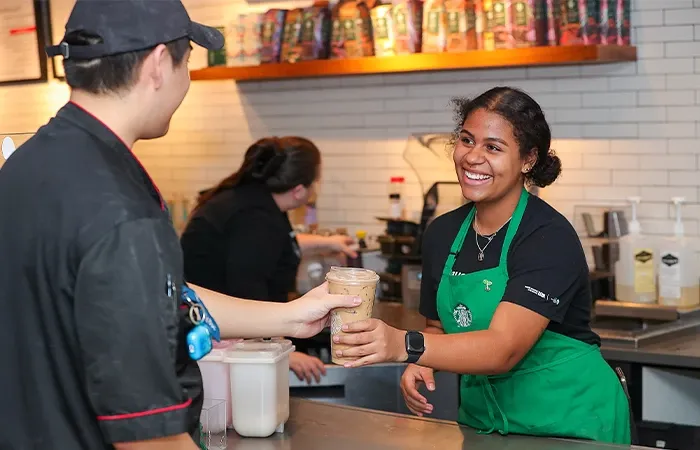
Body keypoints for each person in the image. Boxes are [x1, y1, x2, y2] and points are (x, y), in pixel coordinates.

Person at [0, 1, 360, 449]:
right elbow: (149, 436)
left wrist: (288, 316)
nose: (185, 80)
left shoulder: (29, 164)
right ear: (156, 65)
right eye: (186, 61)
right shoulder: (122, 212)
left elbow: (156, 295)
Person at [333, 87, 632, 445]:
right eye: (466, 140)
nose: (472, 157)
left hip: (570, 422)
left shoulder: (547, 236)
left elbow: (503, 349)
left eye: (493, 147)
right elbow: (439, 328)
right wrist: (424, 359)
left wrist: (405, 345)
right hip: (484, 423)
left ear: (528, 160)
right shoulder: (443, 233)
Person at [181, 136, 357, 383]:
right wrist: (281, 351)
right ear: (298, 191)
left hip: (214, 335)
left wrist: (329, 242)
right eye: (316, 181)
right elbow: (247, 291)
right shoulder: (257, 218)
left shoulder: (250, 198)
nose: (317, 186)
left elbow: (274, 246)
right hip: (219, 351)